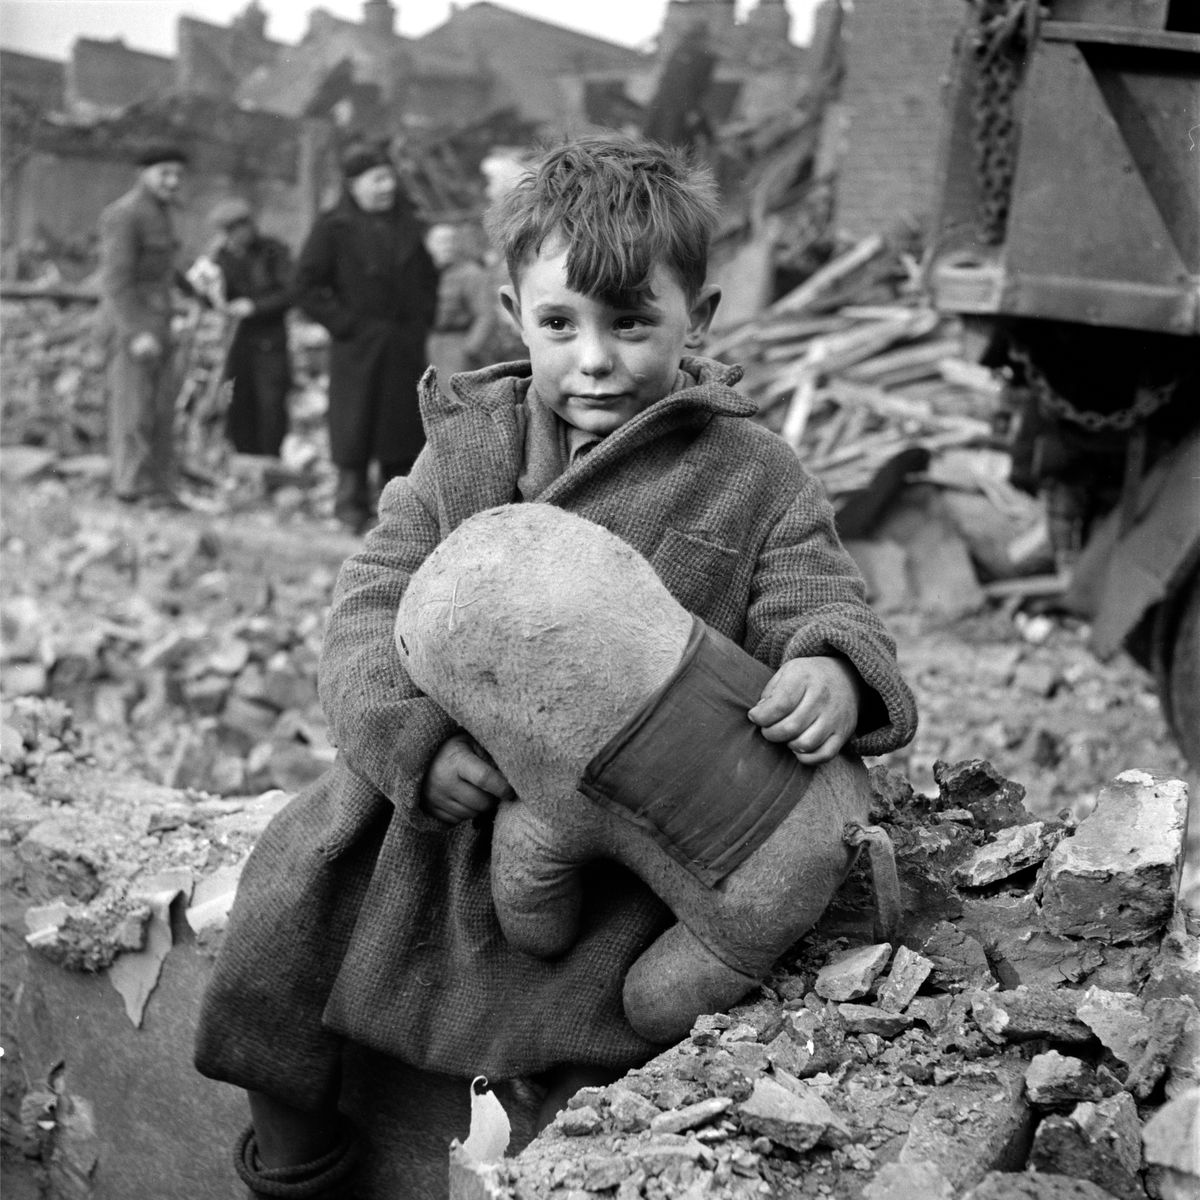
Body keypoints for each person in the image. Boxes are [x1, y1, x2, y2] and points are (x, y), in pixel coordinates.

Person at [194, 134, 919, 1198]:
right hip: (439, 805)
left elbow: (816, 593)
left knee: (594, 1010)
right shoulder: (469, 450)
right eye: (561, 324)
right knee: (292, 898)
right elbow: (367, 602)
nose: (596, 361)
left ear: (699, 319)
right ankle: (297, 1163)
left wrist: (831, 670)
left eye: (633, 324)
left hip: (614, 834)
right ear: (511, 313)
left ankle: (543, 1156)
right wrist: (412, 738)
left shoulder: (746, 472)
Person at [293, 141, 438, 533]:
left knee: (401, 429)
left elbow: (426, 278)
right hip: (358, 345)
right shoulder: (332, 227)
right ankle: (350, 508)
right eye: (377, 180)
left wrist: (421, 320)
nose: (386, 187)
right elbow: (305, 286)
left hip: (403, 344)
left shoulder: (408, 223)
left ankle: (396, 513)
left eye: (390, 178)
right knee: (355, 425)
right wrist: (346, 325)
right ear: (354, 185)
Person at [95, 142, 191, 507]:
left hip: (161, 320)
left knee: (161, 410)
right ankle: (130, 488)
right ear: (144, 174)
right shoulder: (125, 214)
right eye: (164, 173)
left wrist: (193, 289)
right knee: (133, 409)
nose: (172, 181)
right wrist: (135, 333)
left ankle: (157, 488)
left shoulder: (163, 213)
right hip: (133, 324)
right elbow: (116, 281)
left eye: (178, 174)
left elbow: (164, 270)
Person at [201, 198, 295, 457]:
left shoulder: (273, 252)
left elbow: (290, 292)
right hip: (235, 343)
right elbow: (212, 296)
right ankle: (241, 454)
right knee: (236, 399)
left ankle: (270, 456)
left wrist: (254, 306)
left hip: (269, 342)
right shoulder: (220, 258)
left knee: (271, 403)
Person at [424, 221, 496, 392]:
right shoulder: (420, 273)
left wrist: (470, 349)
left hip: (456, 344)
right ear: (428, 244)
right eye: (441, 241)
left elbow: (486, 315)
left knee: (454, 399)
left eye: (451, 241)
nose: (447, 246)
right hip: (426, 343)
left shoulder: (471, 273)